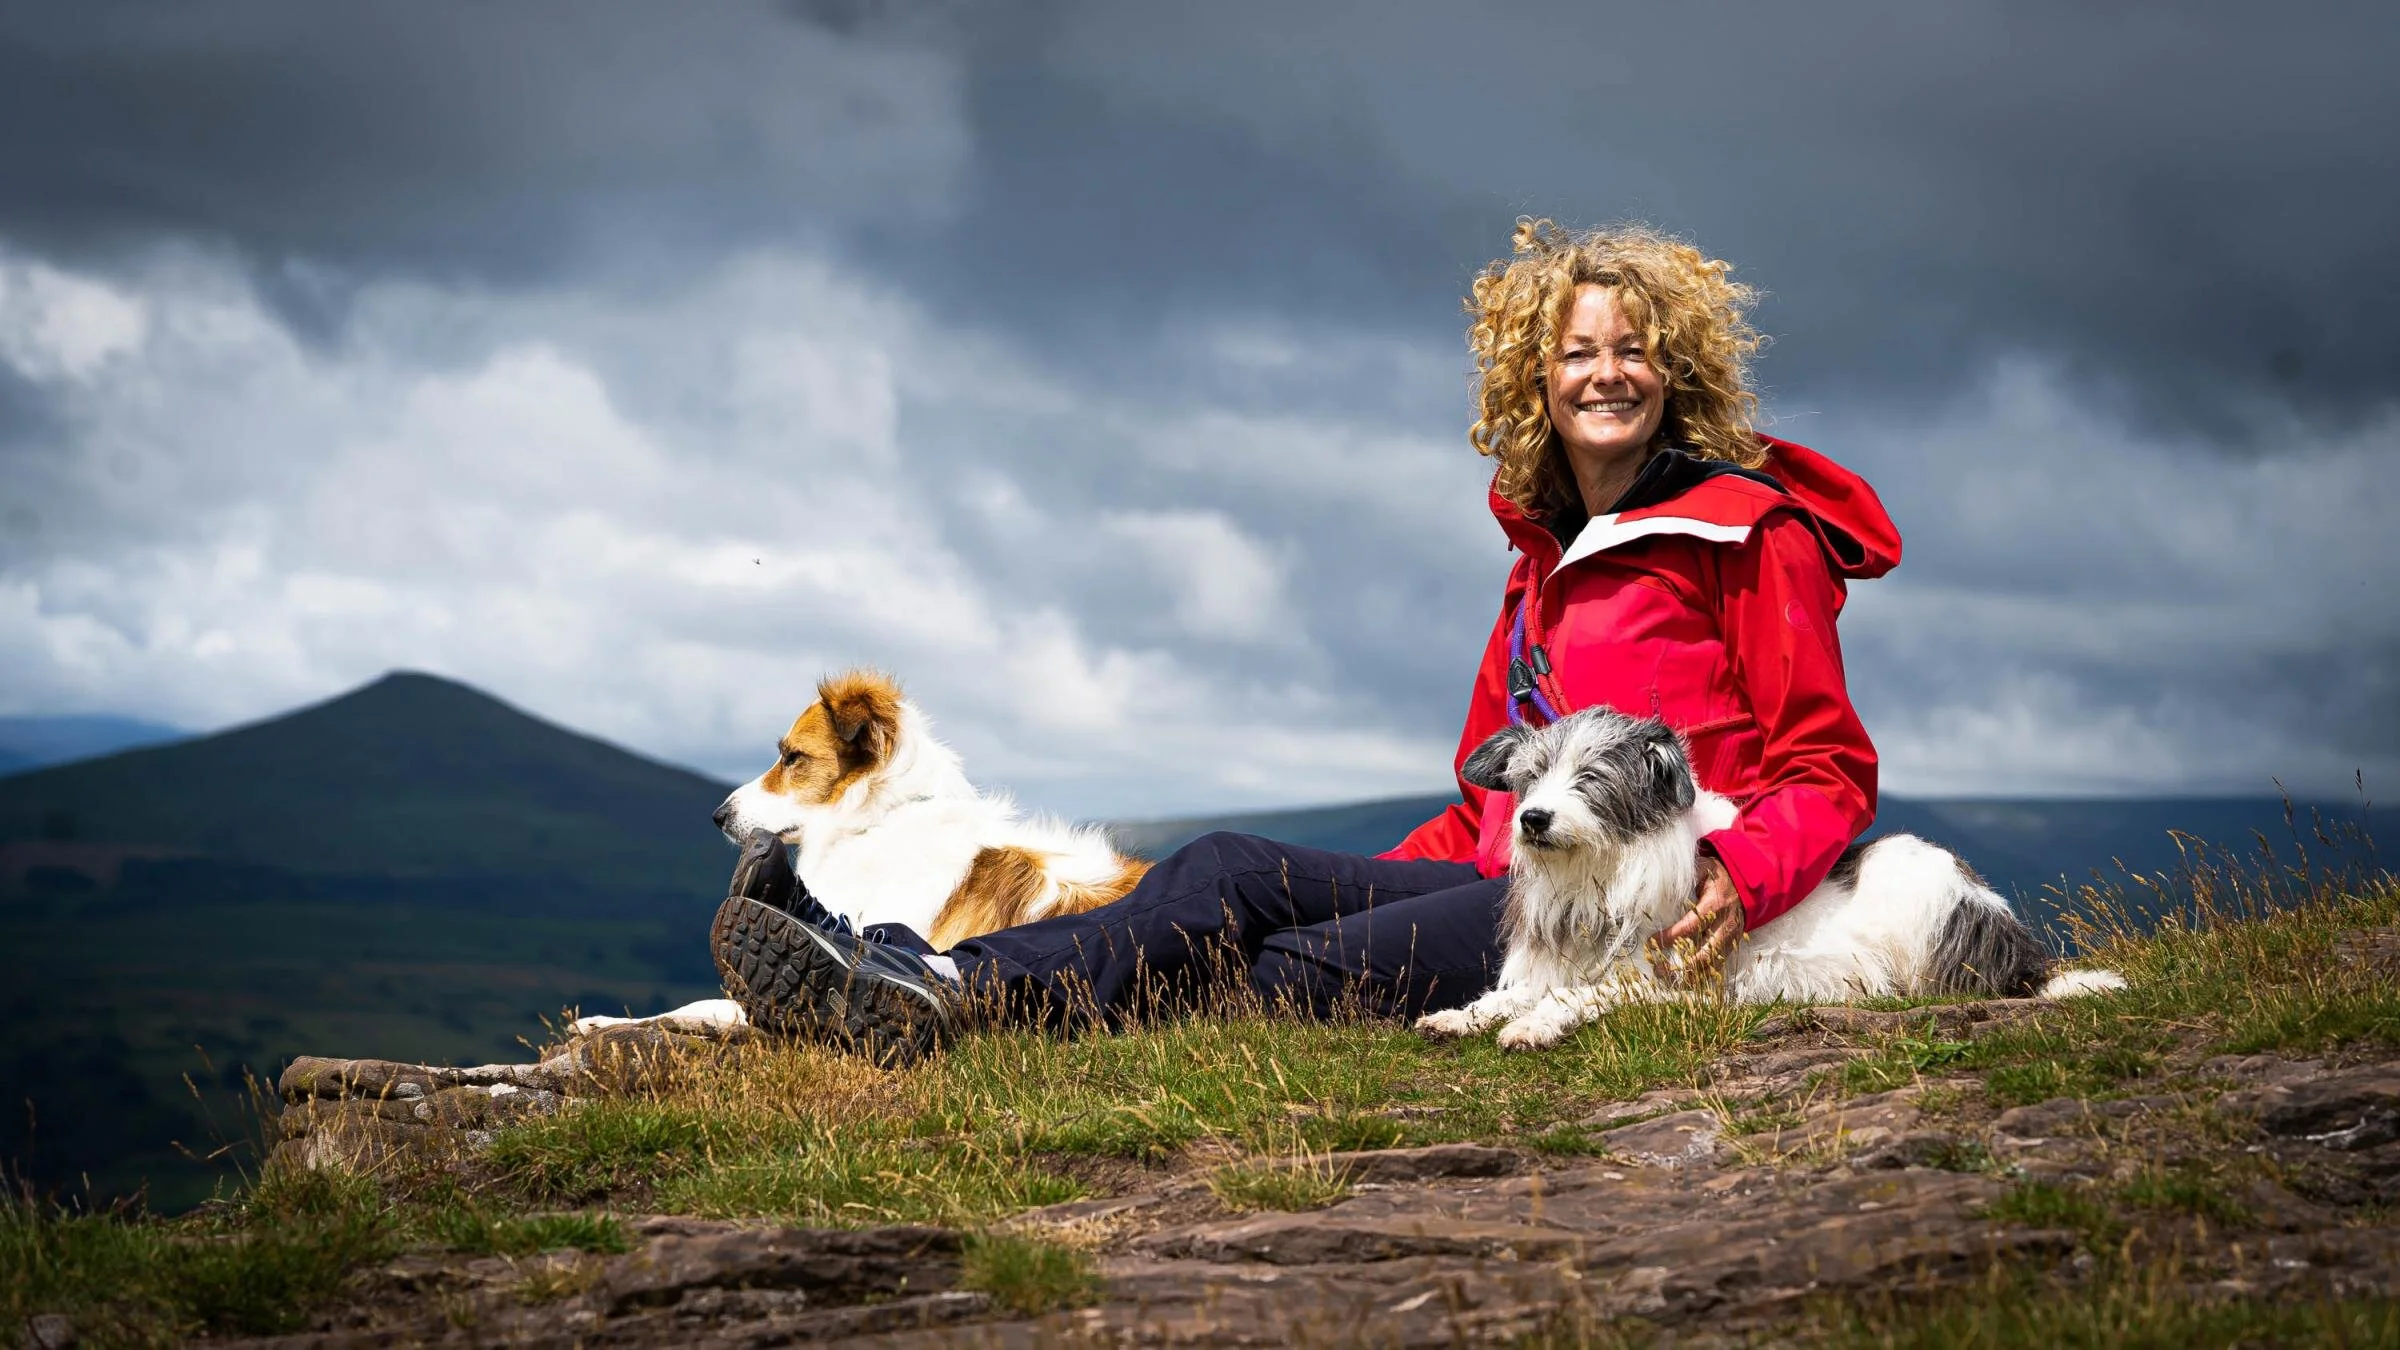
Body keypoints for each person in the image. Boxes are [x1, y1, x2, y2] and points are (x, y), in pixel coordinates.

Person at [711, 219, 1901, 1061]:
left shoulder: (1750, 535)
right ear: (1537, 380)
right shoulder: (1539, 564)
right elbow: (1477, 795)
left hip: (1621, 908)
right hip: (1500, 873)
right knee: (1231, 869)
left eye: (1633, 349)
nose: (1607, 374)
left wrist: (1736, 884)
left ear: (1674, 370)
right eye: (1578, 352)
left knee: (1292, 975)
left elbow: (1826, 767)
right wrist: (1341, 888)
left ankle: (957, 1020)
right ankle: (924, 975)